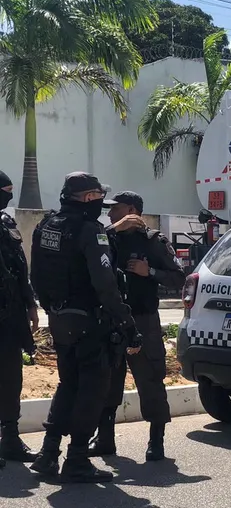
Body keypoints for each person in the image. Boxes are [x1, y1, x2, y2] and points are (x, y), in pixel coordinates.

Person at [28, 172, 142, 483]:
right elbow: (105, 284)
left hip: (60, 319)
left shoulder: (46, 224)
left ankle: (48, 453)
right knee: (92, 390)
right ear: (89, 198)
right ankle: (77, 457)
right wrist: (126, 321)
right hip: (91, 320)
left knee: (68, 384)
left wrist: (52, 308)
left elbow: (35, 274)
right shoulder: (91, 231)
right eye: (97, 197)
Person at [88, 191, 186, 462]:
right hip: (111, 321)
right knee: (108, 381)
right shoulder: (107, 237)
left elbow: (179, 278)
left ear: (131, 209)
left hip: (143, 320)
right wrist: (115, 228)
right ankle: (105, 439)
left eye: (115, 209)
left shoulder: (153, 241)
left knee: (150, 380)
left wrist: (149, 272)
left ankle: (156, 442)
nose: (109, 213)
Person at [0, 171, 40, 468]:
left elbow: (20, 267)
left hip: (10, 317)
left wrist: (30, 304)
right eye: (5, 190)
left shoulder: (6, 224)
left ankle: (10, 440)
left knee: (11, 378)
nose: (9, 195)